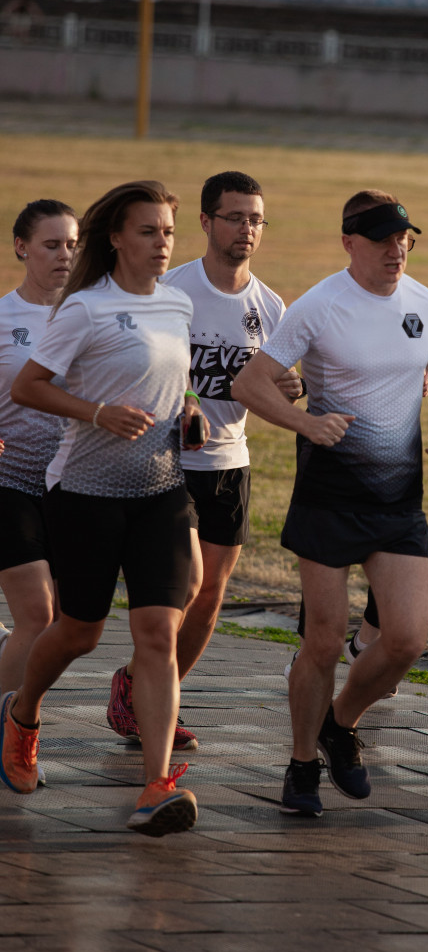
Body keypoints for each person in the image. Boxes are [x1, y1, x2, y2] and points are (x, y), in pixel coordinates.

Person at [232, 190, 428, 817]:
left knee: (409, 639)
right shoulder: (320, 305)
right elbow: (250, 382)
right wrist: (305, 425)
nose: (398, 250)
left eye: (406, 238)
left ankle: (340, 723)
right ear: (348, 242)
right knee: (325, 641)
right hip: (330, 498)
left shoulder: (426, 303)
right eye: (384, 239)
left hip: (397, 502)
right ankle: (302, 764)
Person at [0, 180, 204, 837]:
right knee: (78, 632)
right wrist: (96, 413)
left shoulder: (177, 303)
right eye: (148, 232)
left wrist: (190, 411)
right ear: (116, 237)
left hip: (161, 491)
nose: (161, 244)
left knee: (157, 633)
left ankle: (156, 784)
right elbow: (30, 387)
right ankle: (22, 712)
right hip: (83, 494)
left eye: (168, 232)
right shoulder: (84, 309)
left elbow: (173, 379)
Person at [106, 170, 298, 750]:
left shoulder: (270, 305)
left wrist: (290, 390)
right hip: (166, 462)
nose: (247, 229)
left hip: (230, 464)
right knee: (181, 588)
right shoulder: (173, 289)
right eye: (235, 217)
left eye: (256, 219)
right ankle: (143, 698)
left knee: (211, 593)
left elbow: (274, 386)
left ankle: (147, 696)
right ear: (206, 221)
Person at [0, 201, 78, 708]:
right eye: (52, 245)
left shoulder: (89, 313)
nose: (65, 256)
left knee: (69, 626)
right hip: (7, 481)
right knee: (38, 615)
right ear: (21, 248)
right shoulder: (4, 316)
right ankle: (12, 733)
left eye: (73, 245)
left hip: (71, 486)